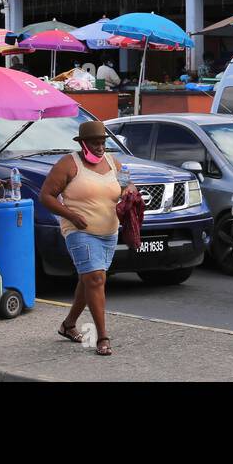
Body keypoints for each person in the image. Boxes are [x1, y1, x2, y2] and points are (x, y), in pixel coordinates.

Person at [41, 120, 139, 357]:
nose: (99, 147)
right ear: (83, 144)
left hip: (109, 233)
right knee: (96, 278)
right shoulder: (68, 164)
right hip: (79, 230)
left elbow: (129, 185)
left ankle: (68, 325)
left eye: (102, 143)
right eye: (94, 143)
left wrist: (129, 191)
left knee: (89, 281)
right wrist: (71, 215)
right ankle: (102, 337)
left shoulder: (113, 163)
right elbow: (47, 196)